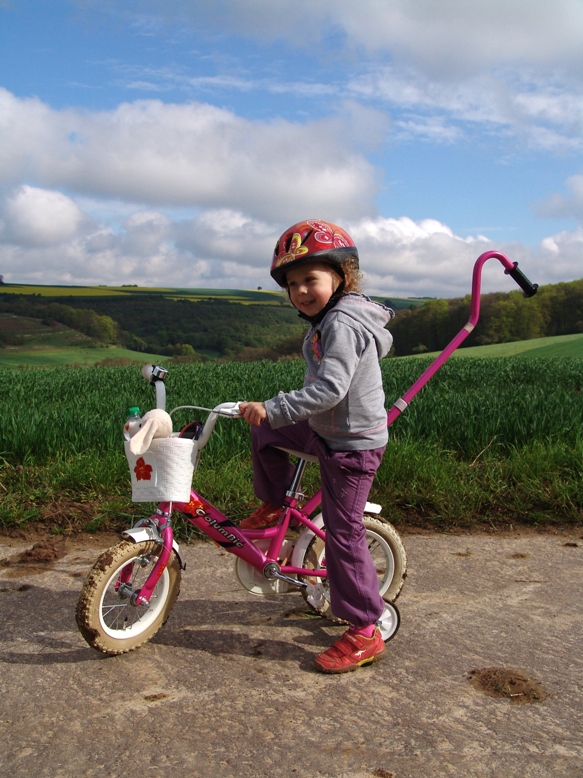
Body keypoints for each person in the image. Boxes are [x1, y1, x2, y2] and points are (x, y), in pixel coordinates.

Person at [238, 218, 394, 674]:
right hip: (325, 429)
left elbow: (330, 389)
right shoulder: (327, 319)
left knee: (344, 533)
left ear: (342, 277)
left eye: (311, 279)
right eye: (292, 284)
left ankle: (365, 630)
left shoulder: (342, 323)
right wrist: (273, 415)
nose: (301, 291)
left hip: (352, 446)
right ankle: (275, 504)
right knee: (266, 431)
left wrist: (275, 406)